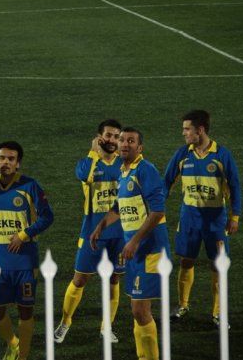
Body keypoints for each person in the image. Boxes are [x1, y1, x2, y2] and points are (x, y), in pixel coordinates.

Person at [0, 141, 54, 360]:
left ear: (18, 163)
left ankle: (22, 356)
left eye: (11, 159)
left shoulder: (30, 186)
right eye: (2, 158)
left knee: (25, 311)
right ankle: (13, 343)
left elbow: (47, 216)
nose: (6, 162)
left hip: (25, 263)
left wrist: (23, 235)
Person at [90, 127, 170, 360]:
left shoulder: (146, 170)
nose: (125, 144)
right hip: (135, 252)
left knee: (140, 310)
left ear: (140, 147)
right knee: (138, 311)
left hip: (150, 251)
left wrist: (134, 241)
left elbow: (157, 211)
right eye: (122, 140)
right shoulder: (124, 172)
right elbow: (119, 206)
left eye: (131, 141)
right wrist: (101, 226)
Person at [163, 110, 241, 327]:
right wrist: (157, 207)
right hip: (189, 218)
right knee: (186, 260)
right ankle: (182, 305)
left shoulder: (222, 155)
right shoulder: (182, 154)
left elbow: (235, 187)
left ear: (200, 130)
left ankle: (218, 312)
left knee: (217, 265)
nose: (183, 133)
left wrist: (234, 217)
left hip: (215, 221)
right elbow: (166, 182)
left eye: (187, 129)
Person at [55, 119, 125, 344]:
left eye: (116, 136)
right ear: (99, 137)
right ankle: (65, 322)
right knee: (79, 279)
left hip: (120, 234)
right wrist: (94, 152)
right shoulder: (89, 162)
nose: (112, 140)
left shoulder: (125, 163)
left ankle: (107, 327)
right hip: (92, 232)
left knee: (114, 279)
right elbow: (83, 175)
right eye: (108, 135)